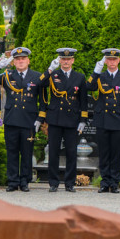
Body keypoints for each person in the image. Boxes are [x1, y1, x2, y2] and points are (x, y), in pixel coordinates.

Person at [0, 47, 49, 192]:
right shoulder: (7, 75)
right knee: (12, 151)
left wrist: (40, 118)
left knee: (26, 152)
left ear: (28, 60)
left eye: (23, 59)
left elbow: (43, 99)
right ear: (13, 62)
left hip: (29, 120)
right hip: (11, 119)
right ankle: (12, 181)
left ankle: (25, 181)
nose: (20, 61)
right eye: (17, 59)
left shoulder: (37, 76)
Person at [86, 48, 120, 194]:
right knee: (104, 153)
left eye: (114, 59)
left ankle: (114, 182)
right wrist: (96, 71)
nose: (112, 62)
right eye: (109, 59)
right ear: (106, 61)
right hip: (102, 120)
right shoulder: (100, 77)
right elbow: (89, 87)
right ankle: (104, 182)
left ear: (118, 60)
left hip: (118, 120)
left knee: (116, 153)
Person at [41, 48, 87, 193]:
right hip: (55, 118)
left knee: (71, 152)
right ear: (59, 60)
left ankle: (70, 183)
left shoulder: (79, 77)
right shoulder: (53, 74)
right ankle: (53, 182)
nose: (66, 62)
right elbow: (39, 83)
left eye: (68, 59)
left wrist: (83, 120)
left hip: (71, 119)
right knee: (53, 151)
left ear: (73, 60)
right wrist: (49, 70)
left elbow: (83, 100)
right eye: (63, 59)